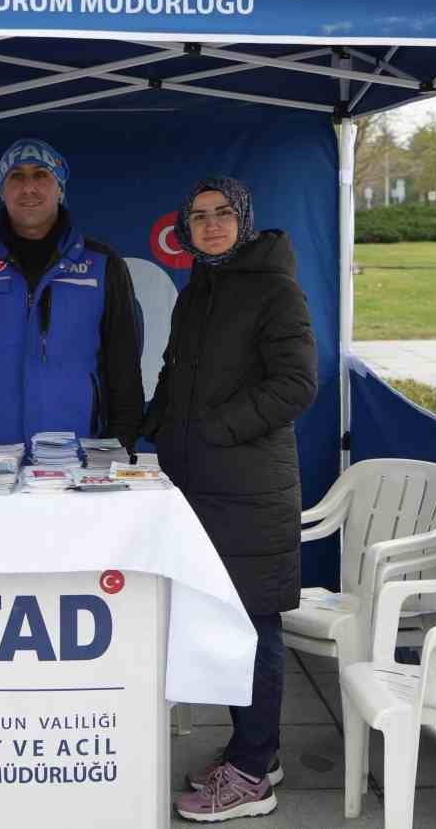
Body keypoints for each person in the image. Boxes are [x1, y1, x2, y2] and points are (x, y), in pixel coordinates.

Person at [138, 176, 317, 823]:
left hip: (250, 489)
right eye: (198, 217)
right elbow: (176, 371)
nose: (210, 226)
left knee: (255, 625)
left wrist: (213, 431)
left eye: (221, 215)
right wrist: (153, 421)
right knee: (225, 621)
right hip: (201, 487)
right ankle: (254, 753)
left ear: (243, 219)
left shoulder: (275, 289)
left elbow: (296, 386)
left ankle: (252, 776)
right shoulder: (201, 289)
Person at [0, 137, 144, 452]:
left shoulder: (102, 263)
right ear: (3, 191)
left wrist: (121, 443)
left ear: (60, 188)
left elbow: (123, 362)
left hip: (78, 457)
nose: (28, 187)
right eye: (16, 176)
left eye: (41, 175)